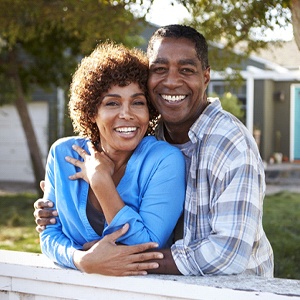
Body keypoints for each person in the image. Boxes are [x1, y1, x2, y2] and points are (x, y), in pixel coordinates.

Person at [34, 24, 274, 277]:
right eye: (159, 69)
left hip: (238, 288)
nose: (171, 81)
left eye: (186, 70)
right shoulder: (154, 134)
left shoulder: (230, 145)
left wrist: (117, 259)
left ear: (205, 77)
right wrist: (81, 258)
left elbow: (229, 254)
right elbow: (51, 232)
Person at [38, 41, 186, 271]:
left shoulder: (164, 161)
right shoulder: (62, 155)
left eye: (137, 102)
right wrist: (81, 259)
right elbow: (49, 235)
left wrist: (100, 181)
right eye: (112, 103)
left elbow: (146, 247)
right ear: (91, 111)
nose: (126, 114)